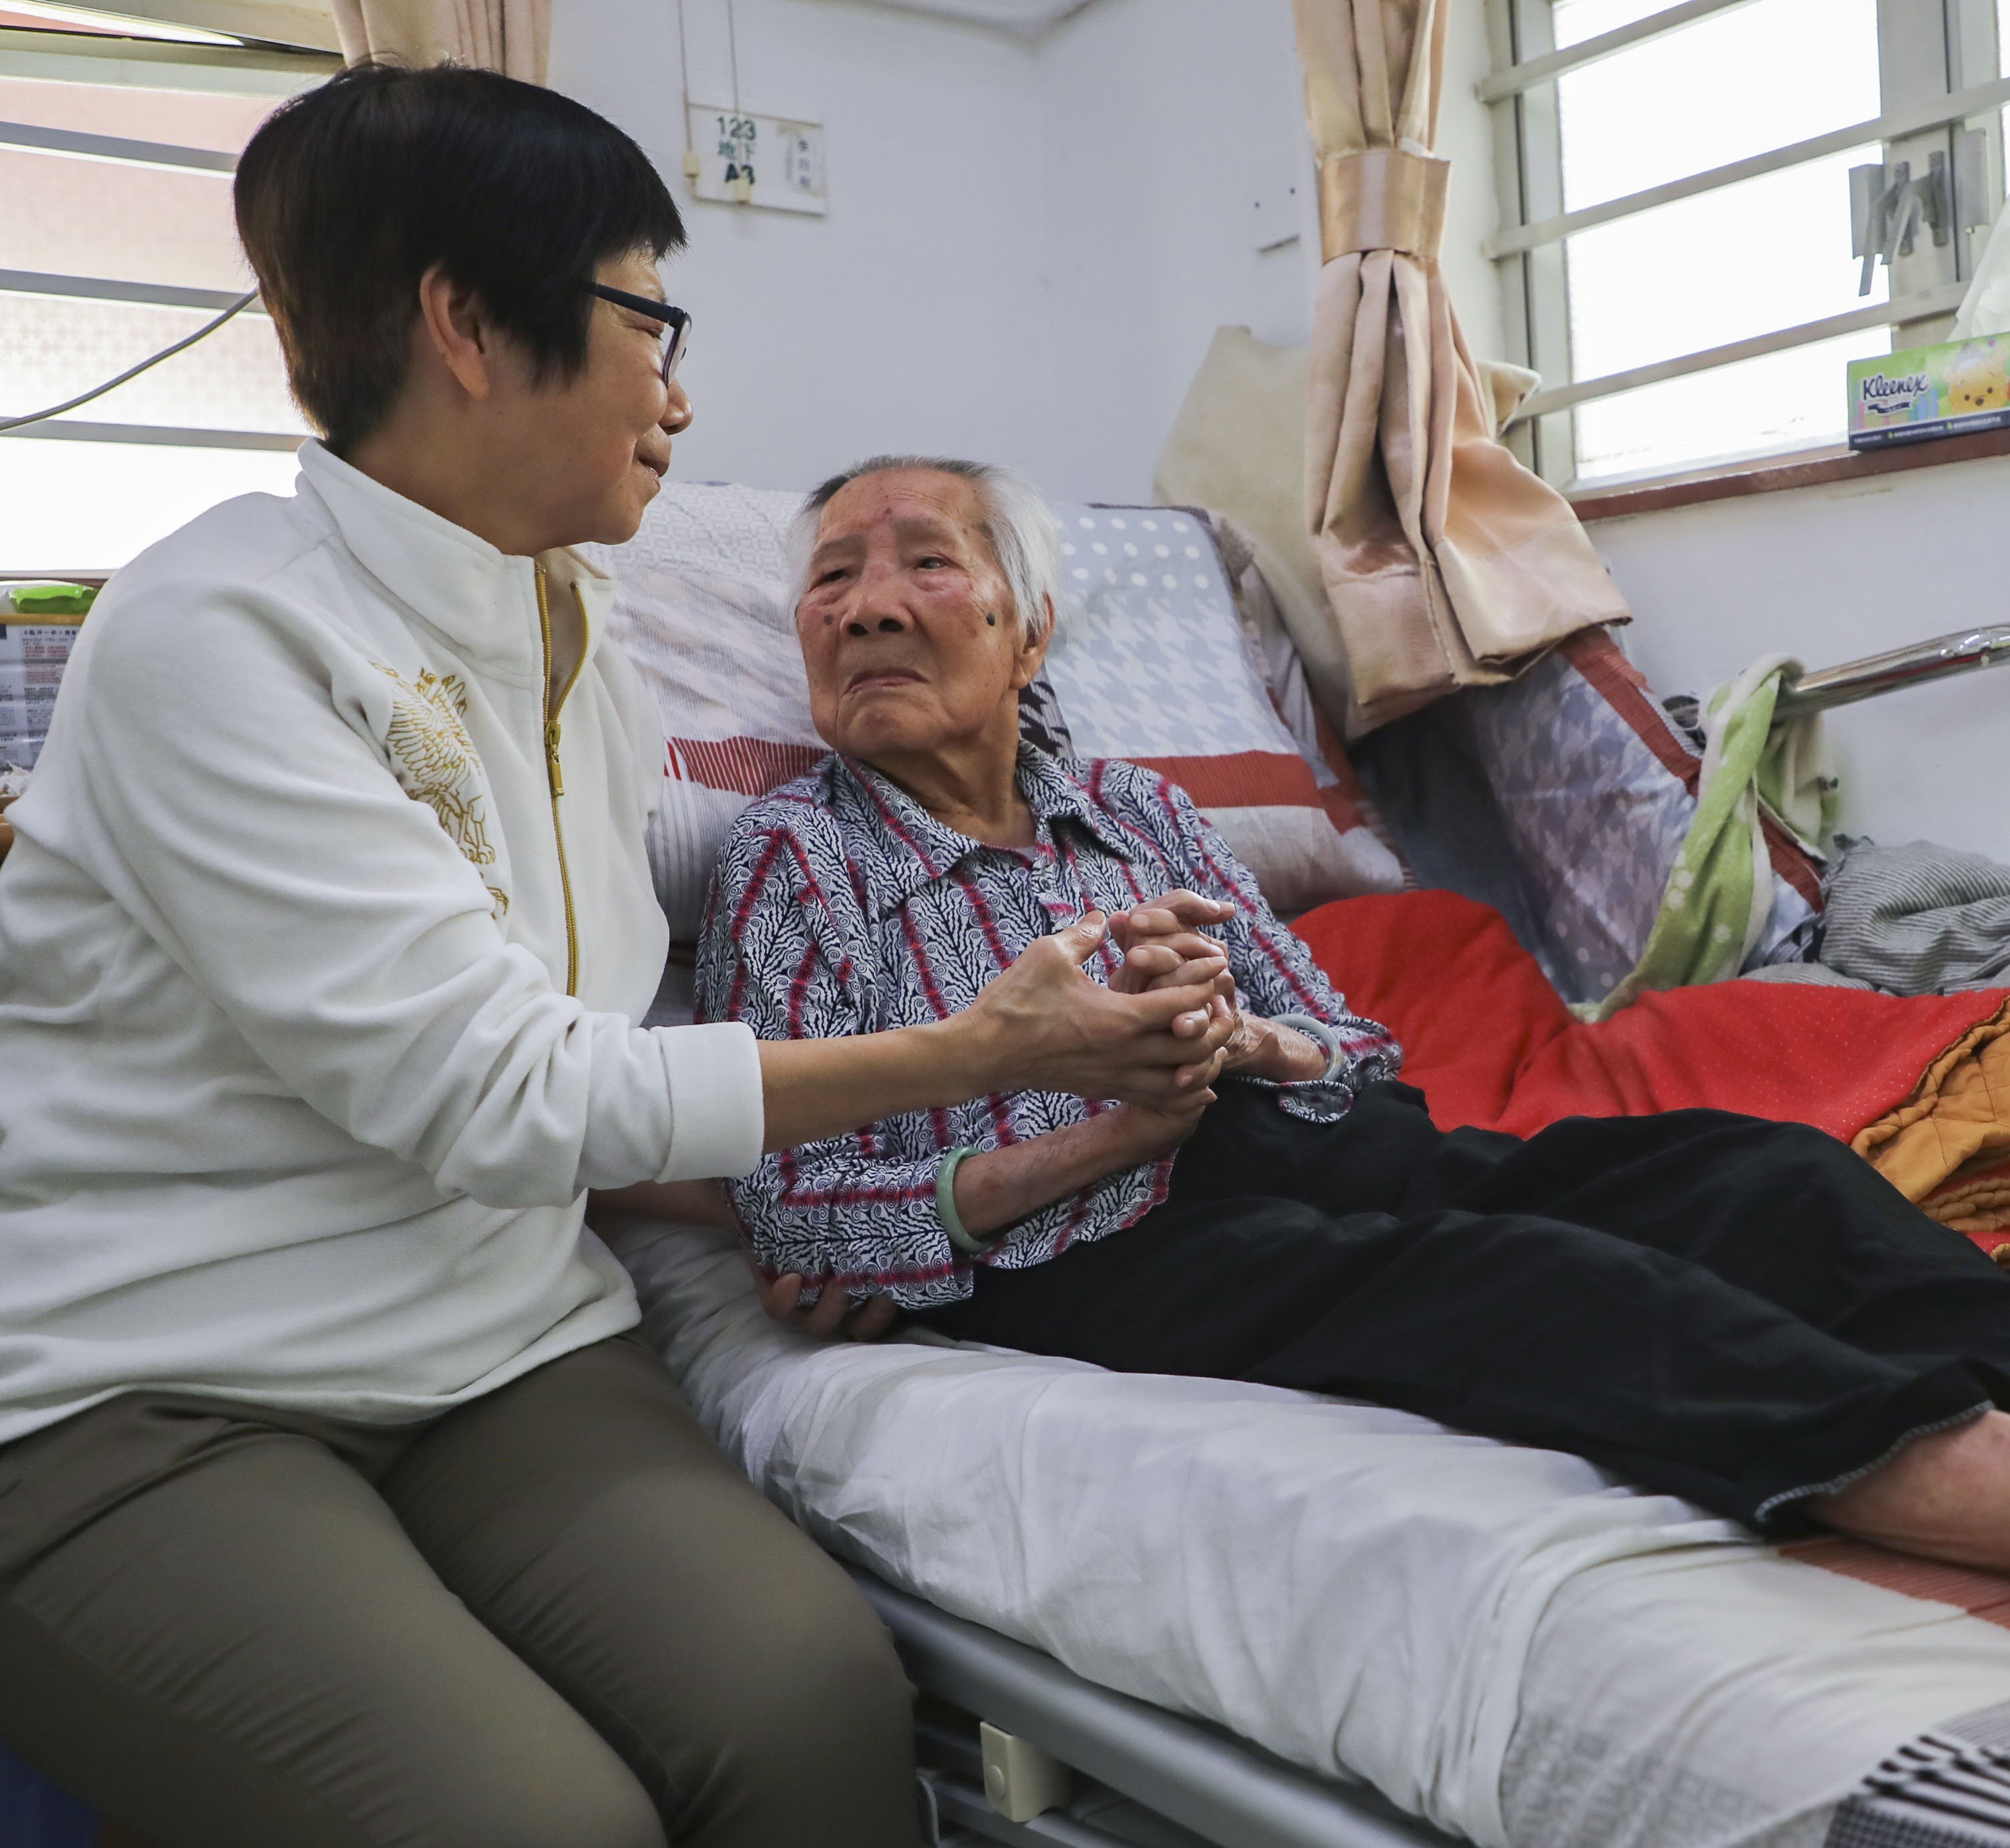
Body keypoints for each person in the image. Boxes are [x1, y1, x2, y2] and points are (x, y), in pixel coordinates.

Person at [702, 451, 2010, 1737]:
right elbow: (810, 1222)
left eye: (926, 565)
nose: (874, 604)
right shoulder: (797, 861)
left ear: (1027, 627)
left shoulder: (1143, 819)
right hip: (1119, 1239)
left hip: (1306, 1131)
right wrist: (1094, 1117)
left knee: (1751, 1178)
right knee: (1547, 1297)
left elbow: (1348, 1045)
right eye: (830, 578)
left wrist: (1237, 1037)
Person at [0, 69, 1236, 1848]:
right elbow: (501, 1083)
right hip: (153, 1384)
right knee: (531, 1821)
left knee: (813, 1706)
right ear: (466, 325)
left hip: (498, 1343)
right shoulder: (221, 628)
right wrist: (979, 1051)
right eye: (650, 319)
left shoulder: (573, 615)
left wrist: (949, 869)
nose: (679, 393)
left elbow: (613, 887)